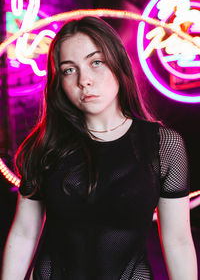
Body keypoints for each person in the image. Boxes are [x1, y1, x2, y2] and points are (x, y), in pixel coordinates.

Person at [0, 16, 198, 280]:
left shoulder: (162, 145)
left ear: (118, 64)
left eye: (96, 63)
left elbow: (178, 241)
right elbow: (25, 232)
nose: (84, 81)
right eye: (69, 69)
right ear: (59, 81)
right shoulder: (43, 146)